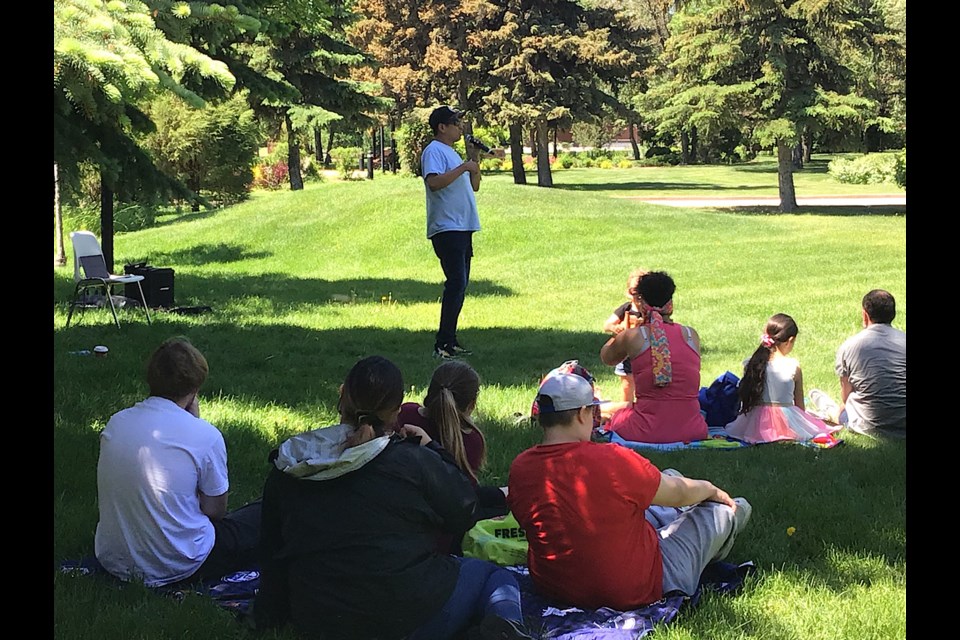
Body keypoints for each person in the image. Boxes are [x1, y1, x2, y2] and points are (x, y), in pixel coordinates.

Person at [254, 356, 531, 640]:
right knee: (495, 578)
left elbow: (272, 552)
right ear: (397, 411)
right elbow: (464, 510)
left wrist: (268, 617)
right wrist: (435, 450)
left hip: (320, 616)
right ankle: (506, 629)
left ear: (342, 394)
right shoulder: (414, 461)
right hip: (408, 614)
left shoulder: (291, 463)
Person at [508, 372, 752, 610]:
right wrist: (711, 489)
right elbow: (678, 493)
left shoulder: (520, 468)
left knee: (668, 477)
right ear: (583, 413)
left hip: (554, 587)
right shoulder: (612, 460)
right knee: (731, 507)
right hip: (641, 587)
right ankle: (709, 553)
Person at [94, 337, 260, 587]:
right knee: (263, 513)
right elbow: (215, 511)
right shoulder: (205, 436)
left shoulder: (116, 422)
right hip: (181, 563)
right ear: (195, 388)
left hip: (114, 559)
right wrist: (196, 423)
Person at [599, 270, 709, 443]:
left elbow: (607, 358)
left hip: (646, 430)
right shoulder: (690, 334)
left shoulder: (634, 336)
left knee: (620, 415)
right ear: (670, 303)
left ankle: (597, 410)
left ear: (641, 301)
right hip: (693, 429)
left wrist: (621, 334)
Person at [394, 360, 508, 524]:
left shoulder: (405, 413)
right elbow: (464, 499)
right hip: (443, 531)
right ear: (471, 404)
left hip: (400, 515)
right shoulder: (471, 439)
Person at [422, 105, 482, 360]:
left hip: (463, 226)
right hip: (447, 227)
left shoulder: (454, 154)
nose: (460, 127)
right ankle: (442, 344)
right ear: (441, 127)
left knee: (461, 284)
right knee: (455, 283)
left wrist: (473, 161)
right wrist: (464, 167)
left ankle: (450, 340)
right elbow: (433, 182)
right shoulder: (434, 151)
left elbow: (474, 187)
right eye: (455, 123)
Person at [725, 314, 841, 444]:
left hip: (754, 422)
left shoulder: (750, 364)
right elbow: (799, 405)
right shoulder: (793, 366)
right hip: (785, 421)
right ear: (790, 340)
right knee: (817, 424)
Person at [817, 289, 906, 438]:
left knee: (841, 412)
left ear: (865, 315)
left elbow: (846, 396)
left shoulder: (850, 346)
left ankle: (829, 410)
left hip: (868, 424)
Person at [602, 267, 648, 403]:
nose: (637, 296)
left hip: (643, 352)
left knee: (644, 385)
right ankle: (626, 410)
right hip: (625, 353)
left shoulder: (650, 310)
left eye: (641, 291)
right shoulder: (626, 309)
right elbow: (607, 325)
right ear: (628, 292)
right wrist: (617, 328)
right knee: (627, 386)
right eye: (633, 291)